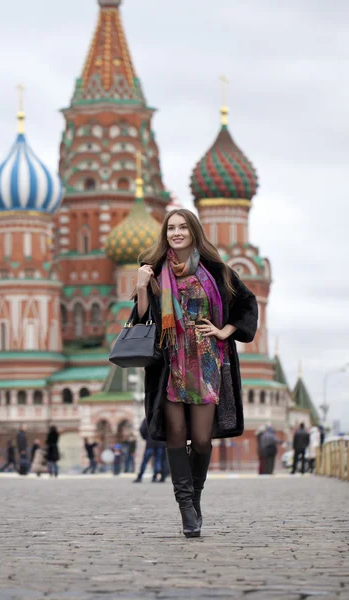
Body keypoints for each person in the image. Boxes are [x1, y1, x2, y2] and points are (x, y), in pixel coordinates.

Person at [135, 209, 258, 537]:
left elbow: (247, 304)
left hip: (205, 360)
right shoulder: (156, 271)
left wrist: (225, 330)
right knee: (176, 435)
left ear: (194, 231)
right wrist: (142, 287)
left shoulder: (217, 271)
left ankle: (196, 494)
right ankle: (186, 507)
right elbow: (142, 319)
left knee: (202, 440)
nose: (176, 233)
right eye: (171, 228)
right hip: (170, 361)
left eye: (182, 227)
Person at [133, 419, 165, 483]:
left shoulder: (148, 418)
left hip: (150, 442)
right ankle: (155, 477)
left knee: (145, 461)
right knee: (158, 461)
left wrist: (147, 438)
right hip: (160, 443)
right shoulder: (162, 418)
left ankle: (140, 477)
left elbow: (142, 429)